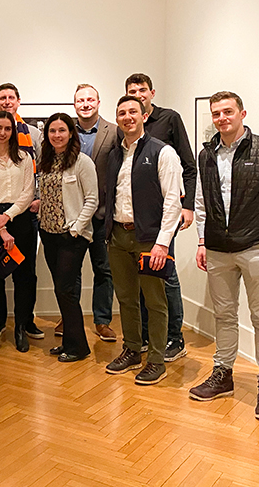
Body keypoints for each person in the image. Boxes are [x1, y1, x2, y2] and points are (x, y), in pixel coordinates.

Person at [189, 91, 259, 422]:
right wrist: (200, 241)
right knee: (223, 315)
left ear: (242, 113)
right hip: (218, 249)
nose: (222, 118)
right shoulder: (206, 154)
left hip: (257, 247)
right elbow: (201, 202)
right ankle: (223, 374)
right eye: (216, 113)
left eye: (228, 112)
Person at [104, 96, 182, 385]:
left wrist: (162, 243)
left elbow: (173, 202)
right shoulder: (114, 155)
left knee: (155, 301)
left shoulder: (163, 153)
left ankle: (157, 360)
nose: (127, 117)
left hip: (150, 240)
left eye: (132, 112)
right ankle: (133, 349)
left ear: (144, 116)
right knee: (125, 298)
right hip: (119, 237)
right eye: (122, 113)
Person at [126, 73, 195, 361]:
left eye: (142, 90)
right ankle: (145, 334)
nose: (138, 94)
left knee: (165, 275)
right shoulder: (128, 124)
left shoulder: (170, 119)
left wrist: (187, 206)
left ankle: (174, 338)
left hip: (165, 215)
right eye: (132, 91)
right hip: (138, 219)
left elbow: (189, 166)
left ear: (152, 93)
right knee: (143, 277)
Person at [0, 83, 45, 342]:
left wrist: (10, 217)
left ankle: (21, 327)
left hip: (21, 219)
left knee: (25, 276)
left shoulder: (25, 158)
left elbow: (28, 192)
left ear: (13, 131)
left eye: (7, 128)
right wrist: (1, 226)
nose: (2, 132)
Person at [37, 113, 99, 362]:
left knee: (67, 290)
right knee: (62, 290)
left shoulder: (82, 162)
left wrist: (76, 228)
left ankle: (78, 347)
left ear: (71, 133)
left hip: (71, 236)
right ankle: (70, 342)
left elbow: (92, 199)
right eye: (52, 131)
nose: (57, 135)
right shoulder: (46, 161)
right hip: (49, 234)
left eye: (62, 130)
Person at [72, 84, 118, 342]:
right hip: (72, 215)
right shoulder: (64, 131)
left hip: (102, 215)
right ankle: (70, 316)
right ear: (74, 104)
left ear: (99, 102)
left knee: (104, 270)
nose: (86, 104)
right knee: (71, 270)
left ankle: (102, 320)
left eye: (90, 99)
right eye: (81, 100)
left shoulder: (114, 131)